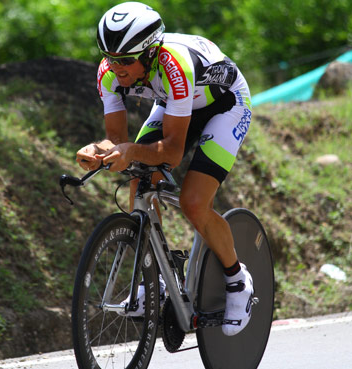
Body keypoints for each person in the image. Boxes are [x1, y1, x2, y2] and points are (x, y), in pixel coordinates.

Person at [76, 1, 254, 336]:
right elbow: (118, 144)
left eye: (126, 60)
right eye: (111, 58)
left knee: (194, 203)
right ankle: (155, 279)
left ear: (149, 53)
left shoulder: (174, 66)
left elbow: (171, 153)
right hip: (175, 103)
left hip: (226, 104)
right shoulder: (109, 72)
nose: (117, 67)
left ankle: (237, 279)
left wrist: (130, 151)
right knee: (138, 182)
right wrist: (97, 151)